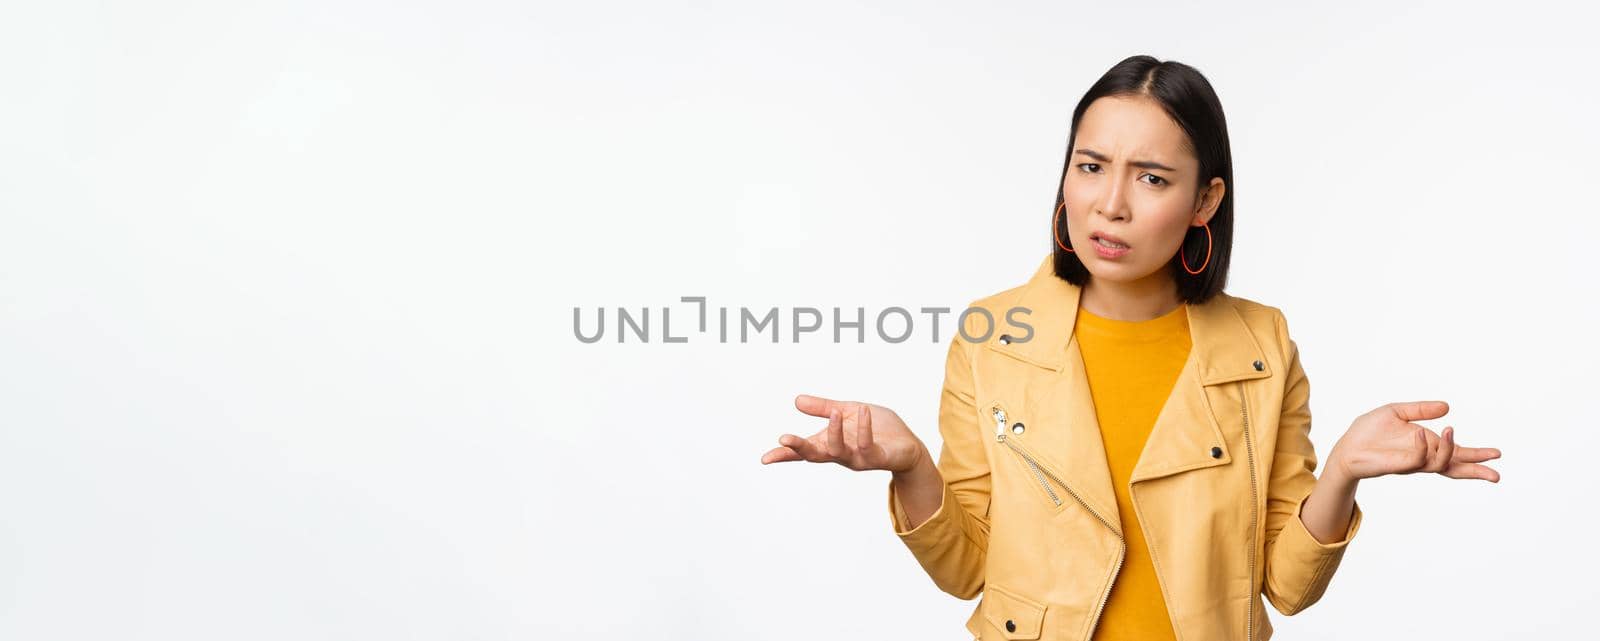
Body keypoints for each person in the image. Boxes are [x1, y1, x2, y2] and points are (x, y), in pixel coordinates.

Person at [758, 55, 1502, 641]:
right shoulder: (993, 335)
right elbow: (968, 568)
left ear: (1205, 201)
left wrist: (1342, 471)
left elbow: (1285, 585)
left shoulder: (1262, 344)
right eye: (1090, 166)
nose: (1111, 204)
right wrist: (914, 465)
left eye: (1151, 178)